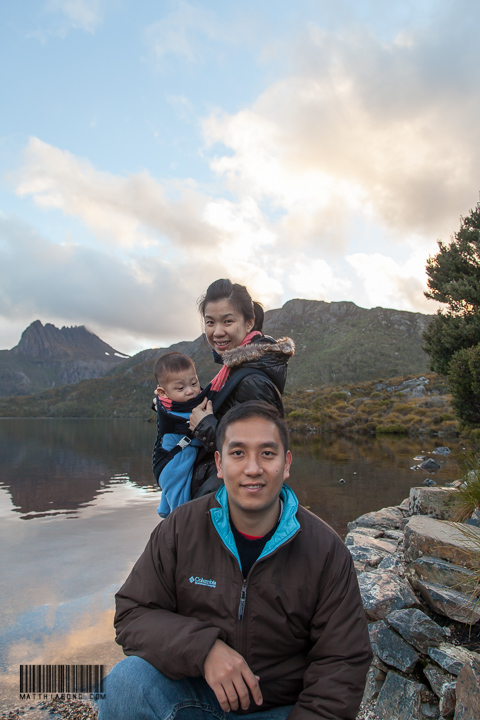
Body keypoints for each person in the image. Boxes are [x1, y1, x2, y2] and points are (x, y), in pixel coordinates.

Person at [98, 401, 372, 720]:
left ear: (286, 464)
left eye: (267, 453)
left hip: (280, 709)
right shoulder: (180, 528)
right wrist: (203, 650)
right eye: (238, 453)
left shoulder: (325, 550)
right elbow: (133, 613)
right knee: (126, 684)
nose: (252, 468)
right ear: (219, 462)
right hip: (198, 697)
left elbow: (342, 662)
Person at [152, 279, 295, 500]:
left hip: (229, 504)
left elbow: (260, 453)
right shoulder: (233, 370)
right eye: (210, 322)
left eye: (227, 321)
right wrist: (170, 403)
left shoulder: (252, 381)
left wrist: (205, 426)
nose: (217, 332)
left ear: (249, 323)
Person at [153, 351, 210, 517]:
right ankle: (175, 532)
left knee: (170, 496)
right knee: (180, 511)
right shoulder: (177, 416)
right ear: (163, 393)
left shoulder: (173, 405)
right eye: (180, 388)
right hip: (172, 465)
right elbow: (199, 439)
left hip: (168, 461)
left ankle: (164, 511)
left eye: (194, 383)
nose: (190, 391)